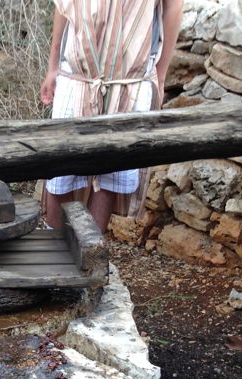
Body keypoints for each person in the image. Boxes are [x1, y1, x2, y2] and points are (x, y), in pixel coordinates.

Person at [40, 0, 183, 232]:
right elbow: (64, 5)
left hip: (130, 80)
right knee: (60, 169)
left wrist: (161, 72)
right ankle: (52, 250)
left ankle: (92, 255)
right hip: (76, 74)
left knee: (113, 170)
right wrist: (52, 66)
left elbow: (174, 6)